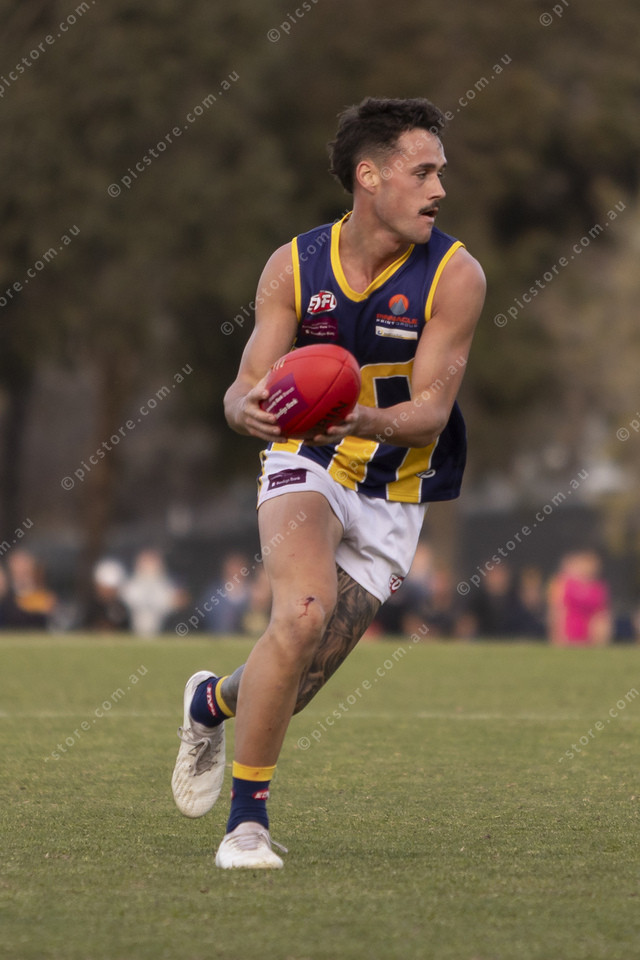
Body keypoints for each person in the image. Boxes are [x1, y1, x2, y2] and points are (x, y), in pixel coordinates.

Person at [171, 97, 486, 868]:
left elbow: (431, 412)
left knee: (296, 678)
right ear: (369, 176)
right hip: (305, 459)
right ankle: (246, 827)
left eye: (440, 172)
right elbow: (245, 382)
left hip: (394, 483)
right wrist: (243, 408)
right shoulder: (294, 265)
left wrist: (360, 419)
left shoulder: (456, 276)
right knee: (302, 613)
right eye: (424, 172)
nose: (440, 189)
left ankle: (210, 701)